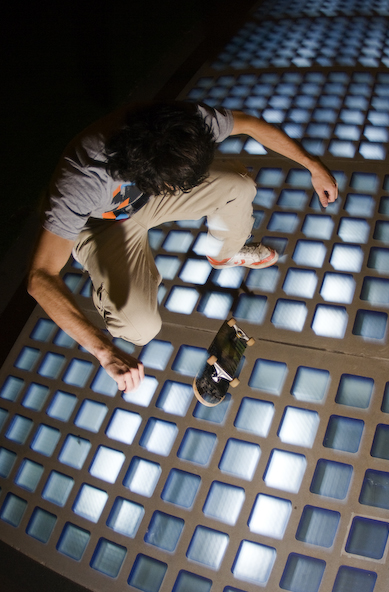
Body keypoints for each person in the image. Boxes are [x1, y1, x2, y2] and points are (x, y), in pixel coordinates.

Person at [28, 101, 338, 393]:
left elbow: (250, 124)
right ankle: (111, 285)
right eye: (176, 186)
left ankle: (225, 253)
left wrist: (312, 165)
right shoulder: (82, 180)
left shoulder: (180, 124)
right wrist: (104, 352)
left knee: (238, 186)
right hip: (100, 225)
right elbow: (40, 277)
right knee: (141, 329)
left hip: (147, 195)